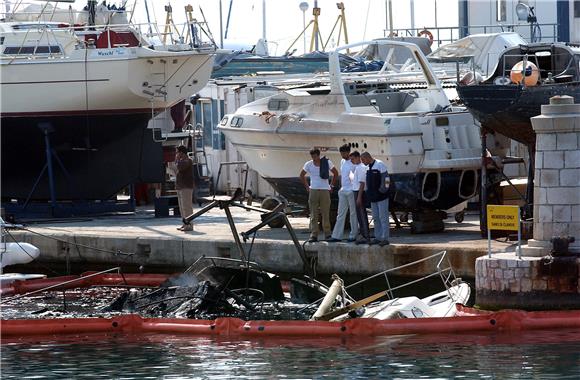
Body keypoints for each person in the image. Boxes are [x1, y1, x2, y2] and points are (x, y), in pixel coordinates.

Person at [300, 148, 339, 242]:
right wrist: (307, 186)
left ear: (319, 155)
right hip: (313, 190)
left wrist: (332, 186)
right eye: (312, 156)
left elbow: (335, 173)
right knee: (313, 214)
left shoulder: (326, 162)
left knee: (326, 213)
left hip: (325, 190)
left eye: (315, 156)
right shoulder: (308, 164)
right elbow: (301, 175)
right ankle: (314, 234)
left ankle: (327, 234)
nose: (314, 158)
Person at [327, 144, 358, 242]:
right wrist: (340, 187)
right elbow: (342, 175)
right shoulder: (342, 161)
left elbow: (356, 177)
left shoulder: (353, 163)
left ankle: (354, 235)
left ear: (348, 152)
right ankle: (336, 236)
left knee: (353, 213)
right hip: (343, 190)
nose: (342, 155)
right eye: (341, 153)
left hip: (352, 190)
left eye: (343, 153)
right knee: (340, 213)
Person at [361, 152, 390, 246]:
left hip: (381, 196)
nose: (362, 162)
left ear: (367, 158)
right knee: (376, 218)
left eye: (363, 160)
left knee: (383, 217)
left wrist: (383, 190)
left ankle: (385, 238)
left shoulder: (380, 164)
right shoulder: (367, 167)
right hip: (373, 197)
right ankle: (378, 237)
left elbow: (386, 179)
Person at [351, 151, 371, 245]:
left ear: (358, 157)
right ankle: (363, 234)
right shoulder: (357, 167)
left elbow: (362, 183)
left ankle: (366, 236)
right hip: (356, 191)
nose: (352, 161)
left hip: (360, 192)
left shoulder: (361, 168)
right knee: (359, 215)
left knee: (362, 214)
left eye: (353, 159)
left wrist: (359, 197)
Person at [175, 145, 194, 232]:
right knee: (182, 207)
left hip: (186, 187)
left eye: (177, 152)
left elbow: (180, 168)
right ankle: (184, 223)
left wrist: (177, 160)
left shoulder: (187, 160)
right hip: (180, 187)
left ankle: (189, 225)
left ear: (181, 153)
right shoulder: (181, 160)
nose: (176, 154)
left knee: (187, 207)